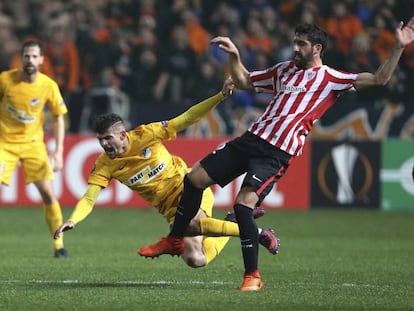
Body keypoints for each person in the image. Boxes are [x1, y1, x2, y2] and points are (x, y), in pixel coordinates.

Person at [139, 17, 414, 291]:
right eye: (294, 42)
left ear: (317, 48)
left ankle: (252, 276)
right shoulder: (284, 70)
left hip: (276, 153)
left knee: (242, 206)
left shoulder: (332, 79)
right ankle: (175, 238)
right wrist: (234, 56)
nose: (295, 48)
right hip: (251, 139)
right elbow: (245, 81)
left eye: (301, 44)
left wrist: (399, 47)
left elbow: (380, 78)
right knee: (194, 178)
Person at [53, 78, 278, 269]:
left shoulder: (146, 134)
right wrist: (73, 219)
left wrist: (219, 96)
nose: (103, 144)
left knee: (192, 224)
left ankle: (257, 234)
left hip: (190, 189)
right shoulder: (105, 164)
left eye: (108, 138)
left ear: (122, 135)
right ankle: (235, 221)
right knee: (195, 259)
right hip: (171, 211)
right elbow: (89, 197)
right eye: (100, 140)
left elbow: (187, 118)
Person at [0, 40, 69, 258]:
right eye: (26, 56)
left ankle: (59, 246)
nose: (30, 60)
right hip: (4, 144)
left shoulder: (48, 85)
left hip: (33, 146)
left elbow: (58, 118)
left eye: (34, 56)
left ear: (41, 60)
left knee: (48, 194)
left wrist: (58, 152)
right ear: (21, 59)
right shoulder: (5, 80)